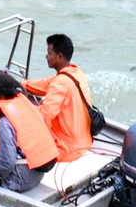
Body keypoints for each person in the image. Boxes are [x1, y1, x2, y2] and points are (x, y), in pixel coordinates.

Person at [18, 33, 95, 162]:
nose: (46, 57)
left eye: (49, 53)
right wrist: (20, 84)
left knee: (19, 128)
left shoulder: (60, 83)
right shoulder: (76, 73)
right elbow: (48, 83)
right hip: (86, 141)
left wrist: (19, 111)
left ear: (59, 56)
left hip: (67, 148)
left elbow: (43, 116)